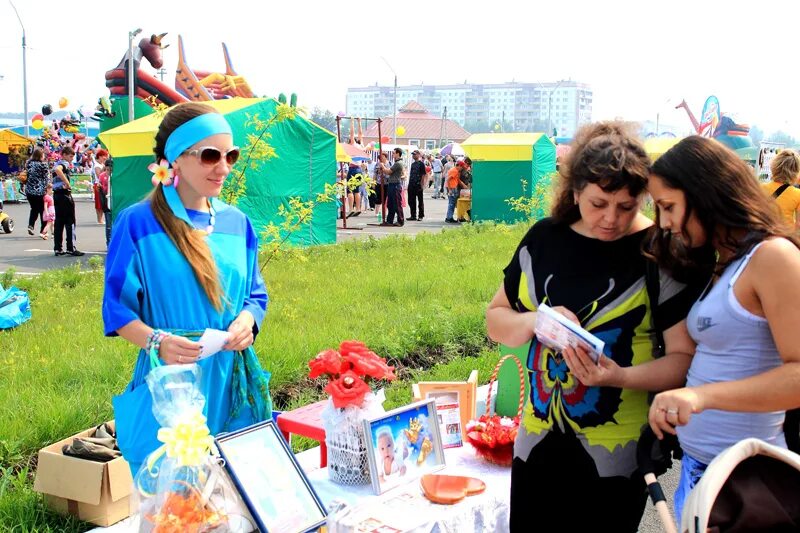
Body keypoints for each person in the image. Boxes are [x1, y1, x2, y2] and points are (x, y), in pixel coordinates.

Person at [485, 122, 708, 532]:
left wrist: (619, 375)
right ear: (574, 193)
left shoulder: (658, 251)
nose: (611, 219)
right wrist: (535, 320)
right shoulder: (544, 240)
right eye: (598, 203)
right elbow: (495, 318)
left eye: (626, 206)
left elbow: (682, 360)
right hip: (536, 443)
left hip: (616, 454)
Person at [103, 102, 272, 476]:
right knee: (175, 502)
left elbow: (255, 293)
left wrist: (248, 319)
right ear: (174, 160)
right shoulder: (138, 223)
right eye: (210, 155)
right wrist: (156, 341)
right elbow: (117, 308)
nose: (224, 167)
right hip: (172, 385)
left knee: (235, 497)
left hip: (232, 379)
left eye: (231, 154)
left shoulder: (237, 223)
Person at [645, 136, 800, 524]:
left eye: (668, 207)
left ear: (703, 193)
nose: (663, 222)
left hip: (747, 485)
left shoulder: (772, 257)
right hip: (703, 473)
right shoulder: (726, 263)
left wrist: (700, 397)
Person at [52, 146, 83, 256]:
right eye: (70, 156)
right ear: (64, 154)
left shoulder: (56, 163)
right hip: (64, 195)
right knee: (70, 221)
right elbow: (58, 170)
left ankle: (58, 248)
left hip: (56, 194)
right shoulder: (63, 164)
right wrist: (67, 182)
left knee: (59, 222)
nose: (71, 159)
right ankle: (71, 247)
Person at [761, 149, 800, 231]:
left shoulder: (760, 188)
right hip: (785, 236)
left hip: (764, 234)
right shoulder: (798, 194)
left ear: (774, 166)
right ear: (796, 171)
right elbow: (798, 223)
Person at [24, 147, 51, 236]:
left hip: (29, 191)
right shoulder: (43, 165)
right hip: (40, 191)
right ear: (41, 156)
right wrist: (48, 189)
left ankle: (30, 225)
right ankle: (43, 230)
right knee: (43, 210)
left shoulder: (28, 163)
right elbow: (47, 178)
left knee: (34, 209)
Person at [383, 148, 405, 227]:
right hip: (392, 184)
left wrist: (383, 166)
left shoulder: (398, 163)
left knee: (397, 204)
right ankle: (389, 220)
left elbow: (389, 172)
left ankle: (400, 221)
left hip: (395, 185)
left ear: (398, 154)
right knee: (390, 204)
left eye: (393, 153)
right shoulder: (396, 163)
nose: (392, 155)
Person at [98, 158, 113, 246]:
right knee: (108, 224)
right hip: (106, 202)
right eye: (107, 169)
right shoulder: (102, 176)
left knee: (114, 223)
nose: (108, 171)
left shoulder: (115, 176)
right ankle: (108, 243)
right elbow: (100, 188)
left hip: (114, 201)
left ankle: (113, 242)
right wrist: (100, 187)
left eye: (110, 170)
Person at [407, 150, 426, 221]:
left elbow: (423, 175)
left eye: (415, 154)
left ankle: (420, 215)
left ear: (419, 155)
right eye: (413, 154)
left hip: (418, 184)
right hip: (411, 184)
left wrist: (422, 184)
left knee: (420, 201)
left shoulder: (421, 164)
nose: (413, 156)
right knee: (411, 201)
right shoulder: (413, 164)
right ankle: (413, 215)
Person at [92, 149, 109, 225]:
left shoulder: (101, 164)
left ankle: (101, 219)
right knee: (99, 203)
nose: (104, 158)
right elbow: (99, 175)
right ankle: (99, 219)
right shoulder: (97, 165)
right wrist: (105, 167)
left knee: (102, 202)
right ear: (100, 156)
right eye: (104, 157)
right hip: (98, 184)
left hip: (103, 184)